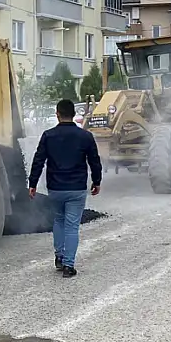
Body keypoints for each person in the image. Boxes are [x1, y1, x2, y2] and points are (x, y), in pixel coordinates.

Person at [28, 98, 102, 278]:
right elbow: (94, 161)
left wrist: (32, 183)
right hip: (76, 189)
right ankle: (69, 265)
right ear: (74, 114)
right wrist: (96, 181)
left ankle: (59, 257)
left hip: (55, 189)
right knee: (71, 226)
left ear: (57, 114)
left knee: (59, 221)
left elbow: (38, 161)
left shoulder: (48, 135)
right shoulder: (85, 136)